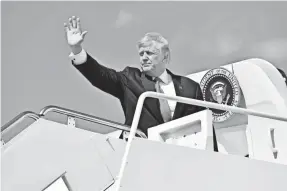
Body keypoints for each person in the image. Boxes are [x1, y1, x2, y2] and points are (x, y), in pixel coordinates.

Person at [64, 16, 207, 139]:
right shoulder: (130, 79)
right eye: (141, 54)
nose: (143, 58)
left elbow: (205, 128)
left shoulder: (190, 88)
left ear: (165, 56)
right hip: (137, 157)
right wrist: (77, 50)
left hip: (179, 159)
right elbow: (100, 76)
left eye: (149, 53)